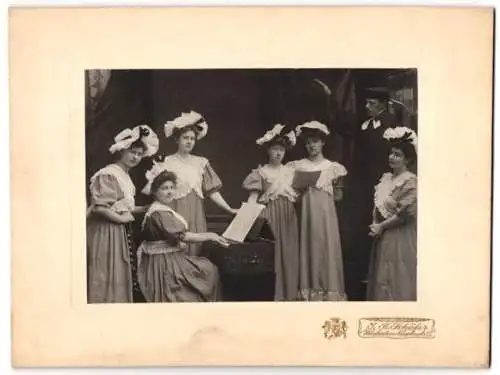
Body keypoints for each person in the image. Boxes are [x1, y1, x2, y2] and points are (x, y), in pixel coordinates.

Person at [147, 111, 238, 256]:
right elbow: (156, 192)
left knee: (196, 250)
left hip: (196, 214)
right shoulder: (165, 162)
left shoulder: (200, 163)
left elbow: (212, 191)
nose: (189, 141)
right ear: (177, 139)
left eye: (192, 138)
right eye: (185, 138)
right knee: (177, 249)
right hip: (174, 212)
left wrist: (229, 209)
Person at [337, 87, 397, 300]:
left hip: (381, 182)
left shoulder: (390, 124)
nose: (367, 106)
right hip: (362, 183)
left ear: (382, 104)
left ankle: (380, 275)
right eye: (367, 102)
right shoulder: (365, 124)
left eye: (371, 103)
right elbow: (345, 127)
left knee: (380, 222)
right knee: (361, 225)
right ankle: (361, 275)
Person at [87, 125, 159, 303]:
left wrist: (146, 208)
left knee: (118, 270)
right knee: (106, 271)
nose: (135, 157)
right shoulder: (109, 174)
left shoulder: (125, 176)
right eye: (132, 152)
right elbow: (99, 208)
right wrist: (122, 219)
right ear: (122, 150)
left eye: (139, 154)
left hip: (118, 231)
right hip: (105, 232)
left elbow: (122, 207)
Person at [138, 169, 228, 302]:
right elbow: (183, 236)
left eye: (172, 188)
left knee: (207, 269)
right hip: (164, 264)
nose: (169, 192)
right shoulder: (160, 213)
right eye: (164, 188)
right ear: (155, 192)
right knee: (208, 271)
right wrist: (210, 235)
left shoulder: (160, 209)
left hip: (166, 258)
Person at [287, 121, 347, 301]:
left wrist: (321, 189)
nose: (311, 145)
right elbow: (293, 194)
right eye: (308, 142)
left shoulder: (333, 168)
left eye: (315, 141)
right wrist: (302, 188)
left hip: (326, 214)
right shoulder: (298, 166)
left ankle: (329, 291)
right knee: (308, 246)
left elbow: (338, 196)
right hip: (306, 213)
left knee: (326, 246)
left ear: (323, 143)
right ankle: (310, 290)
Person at [242, 124, 300, 301]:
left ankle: (289, 293)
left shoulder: (292, 172)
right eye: (275, 149)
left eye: (281, 149)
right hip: (270, 215)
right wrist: (246, 218)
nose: (278, 153)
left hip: (288, 215)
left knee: (289, 251)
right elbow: (253, 198)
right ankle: (274, 294)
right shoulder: (260, 173)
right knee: (271, 253)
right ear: (268, 150)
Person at [367, 127, 417, 301]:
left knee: (397, 276)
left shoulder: (410, 181)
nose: (392, 157)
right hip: (382, 235)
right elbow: (378, 206)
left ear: (407, 160)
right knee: (382, 276)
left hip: (400, 235)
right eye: (391, 153)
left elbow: (406, 214)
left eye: (397, 155)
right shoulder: (386, 178)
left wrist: (381, 226)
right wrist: (375, 223)